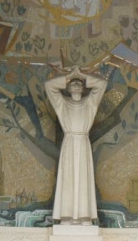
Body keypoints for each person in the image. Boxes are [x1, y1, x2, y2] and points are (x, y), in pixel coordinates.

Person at [45, 66, 107, 224]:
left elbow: (101, 84)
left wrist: (82, 75)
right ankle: (66, 216)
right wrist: (69, 76)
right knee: (68, 179)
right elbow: (49, 86)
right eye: (73, 84)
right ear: (67, 88)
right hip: (69, 142)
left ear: (84, 88)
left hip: (83, 142)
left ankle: (85, 216)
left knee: (83, 179)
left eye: (79, 84)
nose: (77, 85)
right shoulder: (62, 104)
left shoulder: (90, 103)